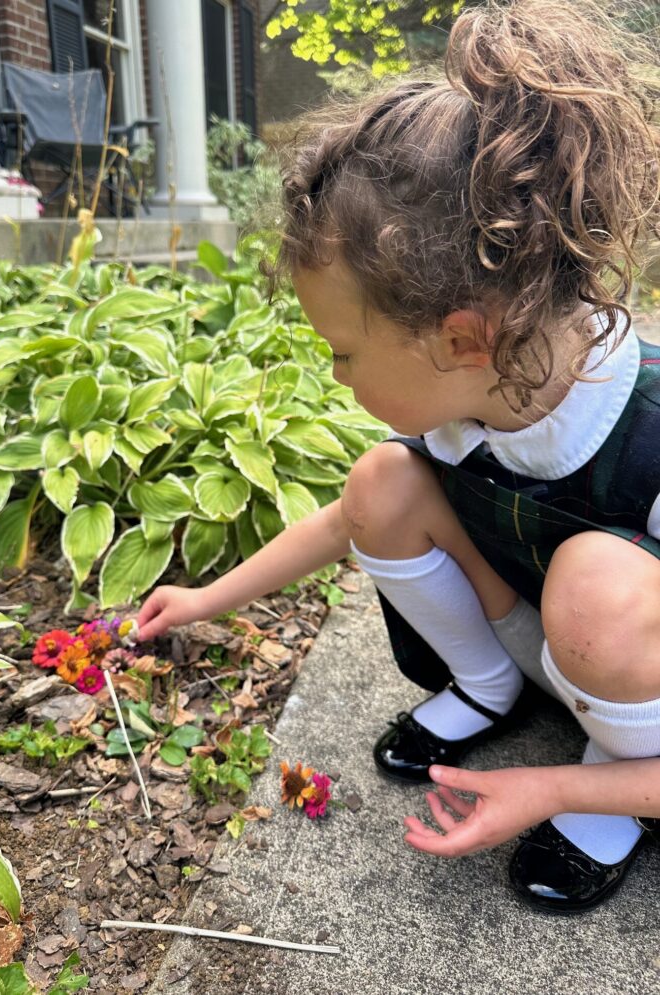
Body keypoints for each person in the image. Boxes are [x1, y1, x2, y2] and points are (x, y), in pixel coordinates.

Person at [137, 0, 660, 912]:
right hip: (552, 643)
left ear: (461, 338)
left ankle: (615, 778)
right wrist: (204, 600)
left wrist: (553, 788)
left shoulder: (647, 424)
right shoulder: (475, 388)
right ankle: (491, 686)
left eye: (344, 352)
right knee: (380, 481)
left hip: (626, 672)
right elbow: (348, 522)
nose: (335, 376)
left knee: (596, 586)